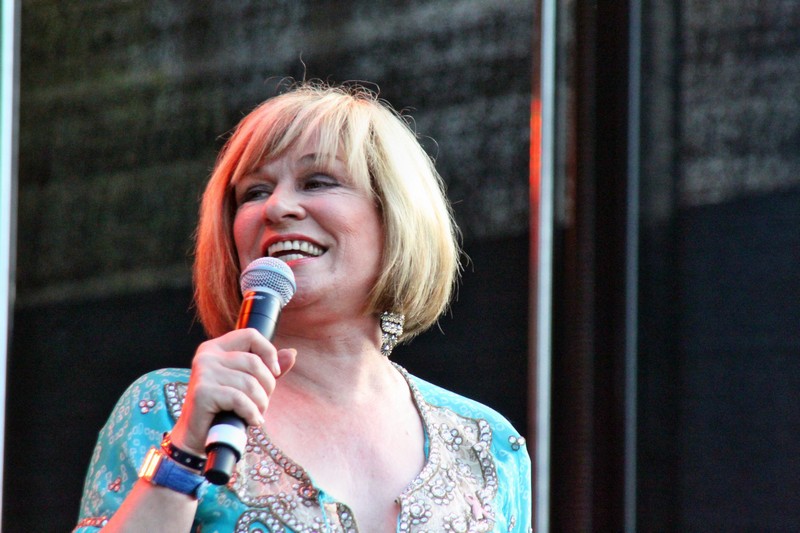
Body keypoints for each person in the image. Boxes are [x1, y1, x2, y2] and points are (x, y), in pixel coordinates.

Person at [73, 80, 532, 532]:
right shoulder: (169, 409)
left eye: (317, 182)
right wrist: (185, 451)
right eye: (254, 192)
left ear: (394, 214)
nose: (277, 207)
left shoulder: (487, 444)